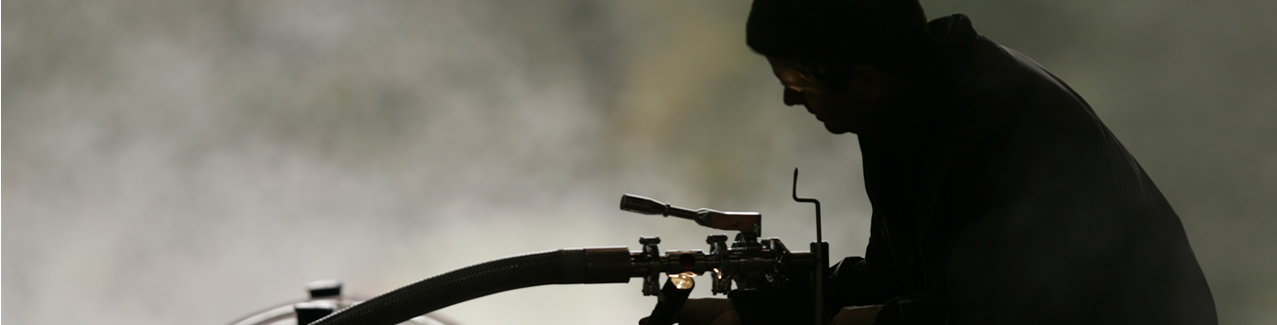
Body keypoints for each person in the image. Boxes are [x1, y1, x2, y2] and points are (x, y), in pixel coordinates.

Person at [647, 0, 1218, 324]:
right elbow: (894, 274)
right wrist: (758, 310)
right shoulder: (907, 107)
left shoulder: (997, 129)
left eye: (799, 83)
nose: (790, 100)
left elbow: (1006, 316)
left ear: (865, 80)